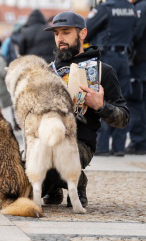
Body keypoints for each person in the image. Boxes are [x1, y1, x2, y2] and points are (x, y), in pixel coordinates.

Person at [42, 11, 129, 207]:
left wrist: (100, 106)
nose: (60, 39)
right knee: (19, 169)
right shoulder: (47, 71)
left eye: (66, 32)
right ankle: (53, 187)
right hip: (45, 140)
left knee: (55, 161)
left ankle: (78, 181)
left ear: (82, 34)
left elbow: (123, 119)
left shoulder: (102, 71)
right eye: (56, 34)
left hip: (78, 144)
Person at [86, 0, 137, 156]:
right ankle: (119, 147)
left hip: (107, 58)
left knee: (103, 99)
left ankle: (102, 147)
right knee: (121, 101)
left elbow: (86, 29)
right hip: (124, 59)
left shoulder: (105, 8)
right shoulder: (131, 9)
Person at [125, 0, 146, 154]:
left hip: (140, 66)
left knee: (136, 103)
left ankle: (138, 143)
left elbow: (136, 34)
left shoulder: (140, 8)